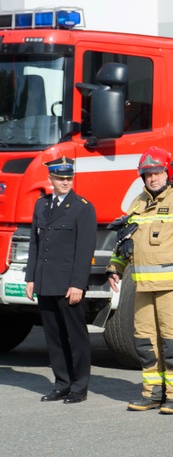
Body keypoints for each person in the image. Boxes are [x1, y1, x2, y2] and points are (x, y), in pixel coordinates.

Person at [106, 147, 173, 415]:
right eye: (147, 174)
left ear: (169, 172)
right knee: (145, 342)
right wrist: (115, 267)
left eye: (157, 173)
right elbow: (125, 239)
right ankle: (152, 393)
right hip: (143, 287)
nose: (152, 178)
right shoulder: (138, 202)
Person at [25, 157, 97, 404]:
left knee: (76, 338)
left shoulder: (82, 207)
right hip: (46, 282)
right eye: (60, 178)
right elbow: (35, 244)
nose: (65, 182)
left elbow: (85, 250)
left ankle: (79, 387)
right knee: (54, 338)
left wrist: (78, 284)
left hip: (68, 285)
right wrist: (31, 278)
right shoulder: (41, 205)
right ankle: (62, 383)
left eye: (69, 178)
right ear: (51, 179)